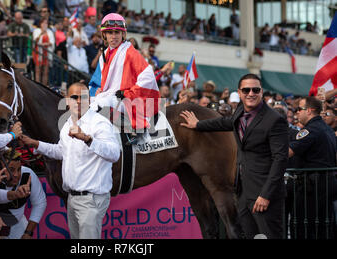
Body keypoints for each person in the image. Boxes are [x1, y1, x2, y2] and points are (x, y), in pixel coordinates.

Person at [180, 73, 289, 239]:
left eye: (255, 89)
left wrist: (266, 195)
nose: (251, 93)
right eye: (246, 90)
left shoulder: (274, 120)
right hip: (243, 192)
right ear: (239, 92)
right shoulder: (240, 112)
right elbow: (226, 123)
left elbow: (280, 160)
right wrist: (198, 124)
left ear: (261, 92)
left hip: (264, 194)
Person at [21, 82, 120, 239]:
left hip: (91, 200)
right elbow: (61, 151)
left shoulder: (99, 123)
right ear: (67, 101)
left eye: (83, 97)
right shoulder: (68, 125)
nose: (79, 101)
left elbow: (114, 154)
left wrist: (88, 139)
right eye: (74, 97)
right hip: (73, 199)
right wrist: (35, 144)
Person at [93, 13, 160, 144]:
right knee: (91, 103)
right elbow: (108, 82)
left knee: (100, 105)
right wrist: (100, 89)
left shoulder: (130, 52)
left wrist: (128, 93)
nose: (114, 36)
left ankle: (136, 130)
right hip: (112, 95)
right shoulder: (104, 54)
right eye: (110, 32)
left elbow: (148, 75)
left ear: (123, 34)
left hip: (129, 99)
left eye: (117, 32)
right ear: (104, 35)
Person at [288, 96, 337, 239]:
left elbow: (288, 153)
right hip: (325, 183)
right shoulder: (327, 129)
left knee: (302, 226)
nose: (297, 113)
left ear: (309, 111)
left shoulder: (310, 130)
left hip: (312, 187)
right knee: (323, 226)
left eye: (299, 109)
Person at [0, 149, 47, 239]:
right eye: (11, 170)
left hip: (17, 223)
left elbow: (40, 202)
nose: (16, 174)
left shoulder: (27, 174)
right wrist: (16, 194)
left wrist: (28, 233)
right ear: (0, 169)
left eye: (19, 169)